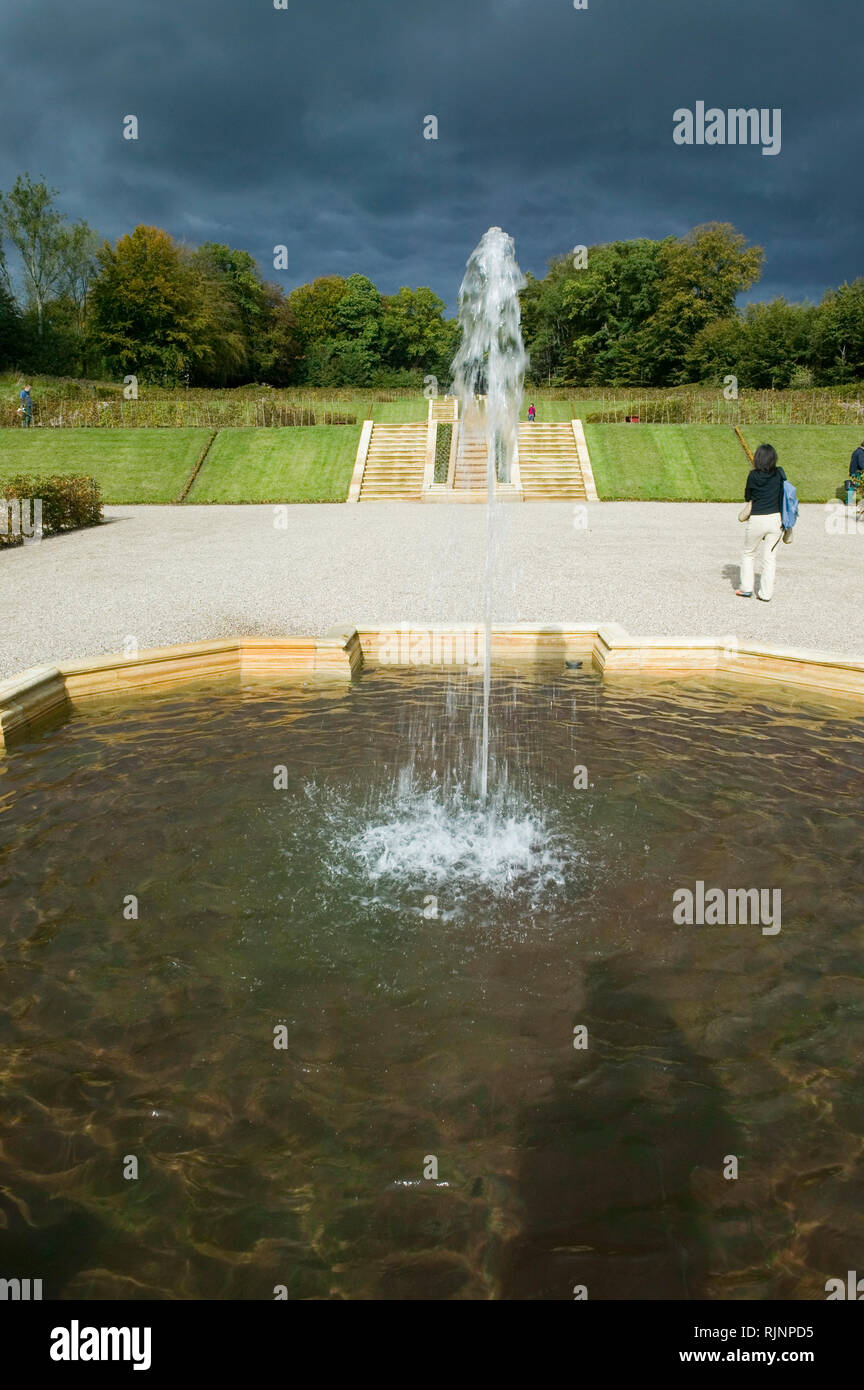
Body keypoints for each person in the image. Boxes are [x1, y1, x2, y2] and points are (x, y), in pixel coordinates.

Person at [736, 443, 786, 602]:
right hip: (776, 519)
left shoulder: (753, 475)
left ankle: (746, 588)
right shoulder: (780, 473)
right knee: (770, 558)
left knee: (748, 553)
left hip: (757, 518)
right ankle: (766, 594)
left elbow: (747, 497)